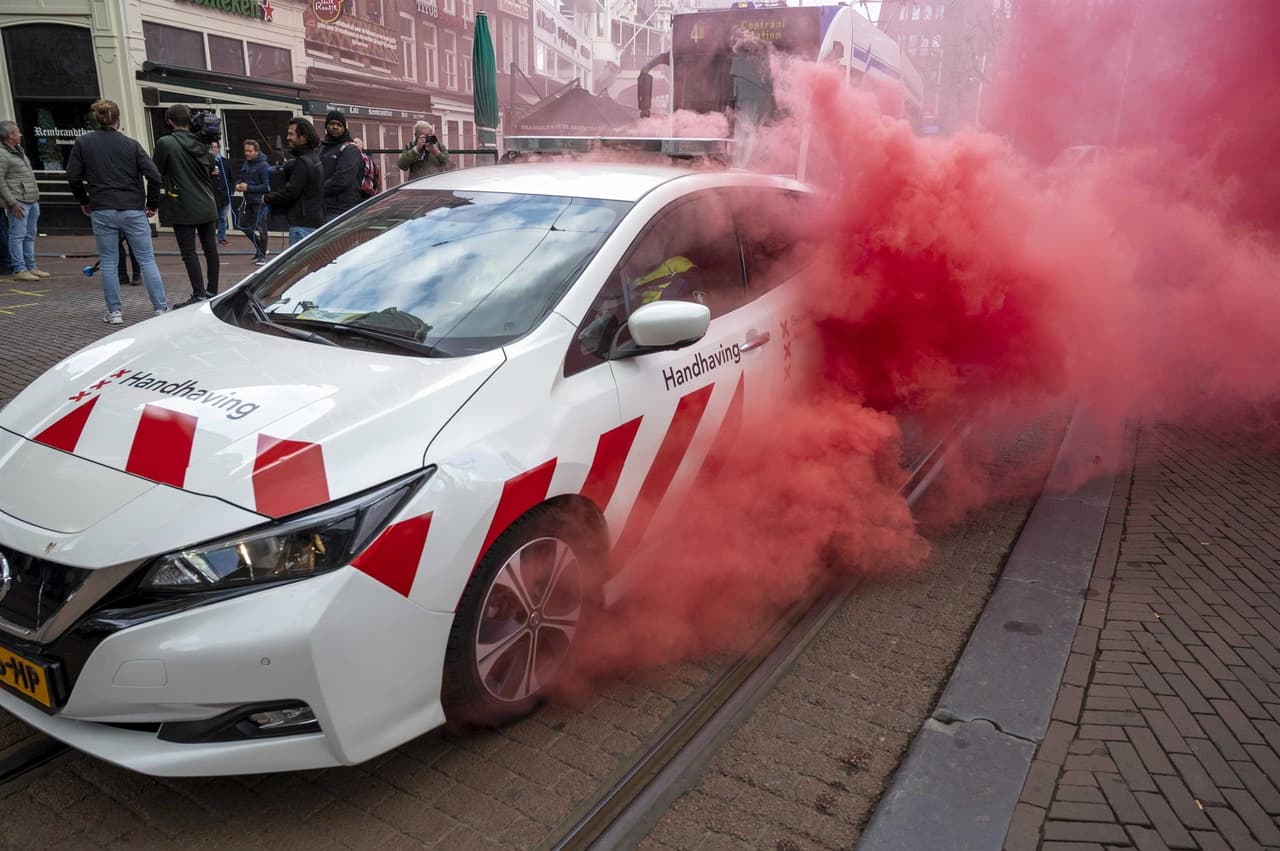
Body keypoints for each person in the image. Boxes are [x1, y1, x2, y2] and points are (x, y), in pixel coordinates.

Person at [66, 99, 170, 323]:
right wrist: (152, 204)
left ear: (96, 118)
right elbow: (154, 176)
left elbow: (73, 177)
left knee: (109, 261)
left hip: (102, 207)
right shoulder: (131, 145)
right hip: (132, 207)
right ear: (118, 119)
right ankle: (160, 308)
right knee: (146, 259)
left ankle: (114, 312)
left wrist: (84, 201)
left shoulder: (83, 143)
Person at [153, 104, 219, 306]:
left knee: (189, 251)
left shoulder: (166, 143)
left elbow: (156, 170)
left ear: (169, 121)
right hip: (207, 204)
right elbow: (210, 167)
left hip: (183, 206)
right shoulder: (203, 143)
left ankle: (199, 294)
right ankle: (212, 291)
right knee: (211, 250)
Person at [264, 117, 324, 246]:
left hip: (301, 223)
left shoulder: (302, 162)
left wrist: (268, 198)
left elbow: (291, 192)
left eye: (291, 134)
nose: (287, 137)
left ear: (303, 138)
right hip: (314, 220)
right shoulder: (314, 158)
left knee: (300, 265)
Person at [0, 119, 48, 282]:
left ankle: (31, 266)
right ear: (10, 135)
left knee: (30, 234)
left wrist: (35, 195)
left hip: (31, 198)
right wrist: (12, 203)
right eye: (17, 132)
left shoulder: (18, 149)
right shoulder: (2, 154)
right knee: (17, 235)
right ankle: (20, 269)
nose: (20, 134)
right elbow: (0, 181)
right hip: (19, 200)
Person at [316, 110, 363, 222]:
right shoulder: (321, 147)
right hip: (324, 207)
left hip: (341, 210)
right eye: (332, 124)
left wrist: (316, 191)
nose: (335, 127)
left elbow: (342, 179)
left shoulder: (350, 149)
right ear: (326, 126)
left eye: (339, 125)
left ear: (344, 128)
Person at [234, 138, 271, 264]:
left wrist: (248, 187)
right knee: (242, 224)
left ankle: (262, 255)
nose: (247, 153)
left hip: (260, 202)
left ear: (257, 152)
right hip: (248, 201)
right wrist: (238, 185)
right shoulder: (246, 163)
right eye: (246, 151)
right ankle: (259, 249)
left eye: (250, 151)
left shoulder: (264, 166)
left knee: (262, 228)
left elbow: (267, 186)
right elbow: (242, 178)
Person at [210, 139, 232, 245]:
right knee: (212, 218)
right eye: (212, 147)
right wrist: (210, 173)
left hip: (224, 195)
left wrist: (230, 191)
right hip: (212, 195)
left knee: (223, 217)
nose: (214, 149)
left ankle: (222, 237)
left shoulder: (225, 162)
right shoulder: (207, 162)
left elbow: (231, 177)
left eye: (215, 147)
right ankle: (210, 238)